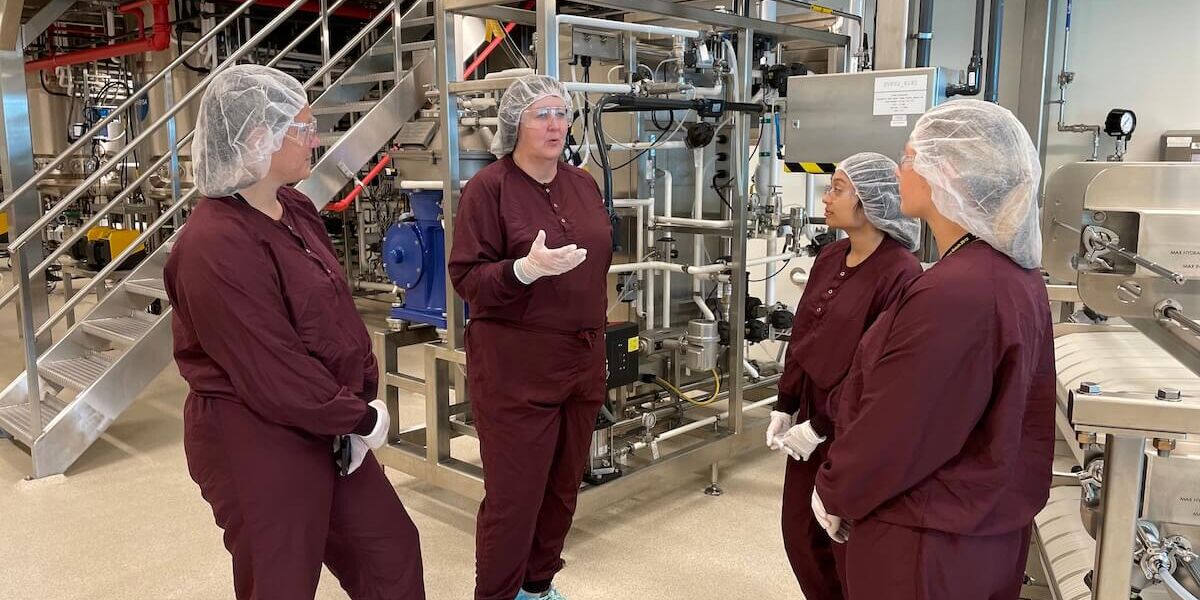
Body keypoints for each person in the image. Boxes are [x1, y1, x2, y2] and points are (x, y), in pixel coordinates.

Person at [165, 64, 425, 600]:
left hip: (324, 418)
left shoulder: (296, 210)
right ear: (258, 138)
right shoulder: (214, 244)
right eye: (303, 129)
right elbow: (270, 366)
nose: (316, 140)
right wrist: (355, 416)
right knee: (281, 580)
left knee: (390, 549)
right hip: (254, 434)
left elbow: (333, 315)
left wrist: (352, 408)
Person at [813, 99, 1056, 599]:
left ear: (942, 171)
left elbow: (899, 426)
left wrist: (836, 488)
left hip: (925, 541)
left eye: (907, 157)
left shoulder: (957, 291)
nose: (898, 170)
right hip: (975, 531)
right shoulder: (1007, 274)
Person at [448, 75, 614, 600]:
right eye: (541, 114)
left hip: (582, 356)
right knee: (515, 496)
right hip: (516, 366)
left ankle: (537, 586)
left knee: (564, 486)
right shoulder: (488, 190)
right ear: (514, 122)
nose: (555, 124)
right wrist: (521, 271)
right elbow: (467, 277)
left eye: (561, 114)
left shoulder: (582, 183)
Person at [765, 152, 922, 600]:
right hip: (811, 413)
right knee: (800, 534)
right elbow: (804, 333)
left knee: (844, 543)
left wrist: (822, 425)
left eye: (837, 188)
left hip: (857, 424)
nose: (826, 197)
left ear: (871, 201)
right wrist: (785, 403)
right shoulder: (831, 255)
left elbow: (876, 370)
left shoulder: (900, 273)